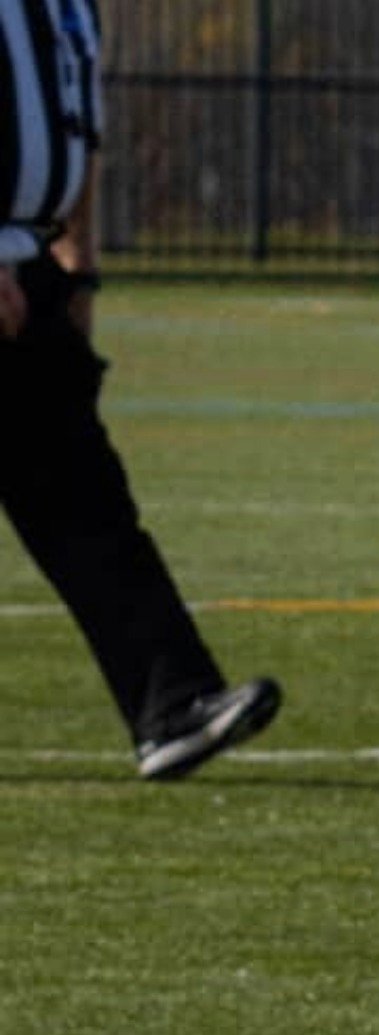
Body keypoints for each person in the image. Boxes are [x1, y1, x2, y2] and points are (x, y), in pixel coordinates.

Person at [1, 0, 281, 781]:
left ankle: (171, 704)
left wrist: (78, 262)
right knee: (79, 498)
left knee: (86, 504)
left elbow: (74, 122)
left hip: (32, 272)